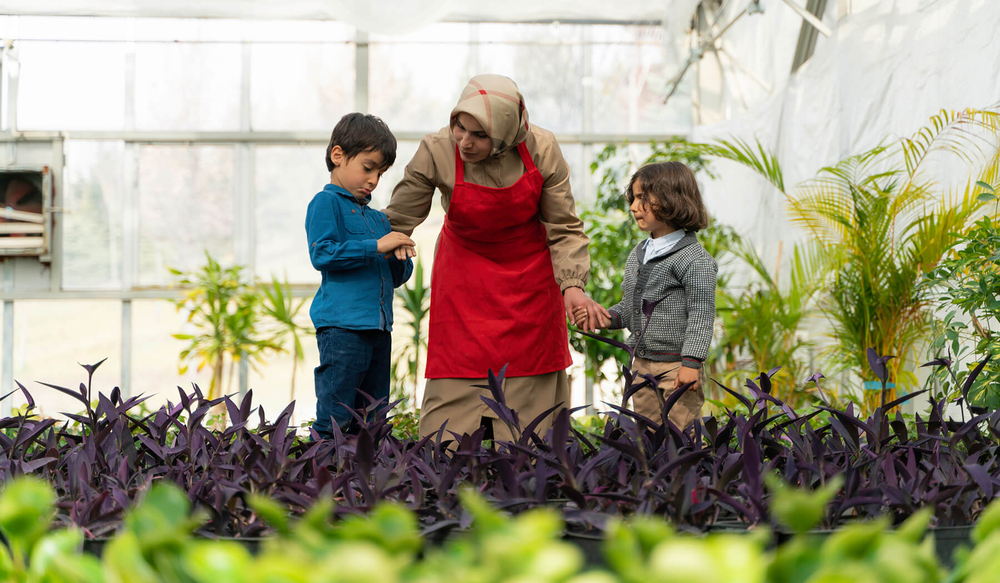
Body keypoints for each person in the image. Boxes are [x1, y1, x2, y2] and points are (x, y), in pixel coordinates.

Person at [385, 74, 609, 443]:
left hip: (529, 283)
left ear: (505, 134)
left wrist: (572, 285)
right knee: (447, 431)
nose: (464, 141)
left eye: (479, 135)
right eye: (459, 126)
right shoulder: (437, 149)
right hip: (463, 283)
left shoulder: (542, 149)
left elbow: (564, 226)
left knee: (530, 431)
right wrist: (371, 248)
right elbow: (398, 219)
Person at [306, 113, 415, 439]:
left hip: (379, 329)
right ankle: (320, 468)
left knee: (374, 417)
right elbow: (323, 254)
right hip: (342, 330)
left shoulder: (379, 220)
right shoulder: (325, 204)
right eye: (368, 168)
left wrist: (401, 255)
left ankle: (368, 469)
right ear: (338, 155)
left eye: (380, 173)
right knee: (336, 415)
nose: (373, 180)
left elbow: (394, 277)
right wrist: (377, 246)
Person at [596, 161, 717, 430]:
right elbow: (631, 306)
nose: (633, 206)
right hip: (642, 365)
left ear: (671, 198)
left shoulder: (694, 259)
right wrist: (606, 318)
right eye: (633, 198)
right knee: (647, 436)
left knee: (681, 437)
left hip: (678, 367)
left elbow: (701, 314)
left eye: (642, 198)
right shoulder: (639, 253)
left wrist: (691, 363)